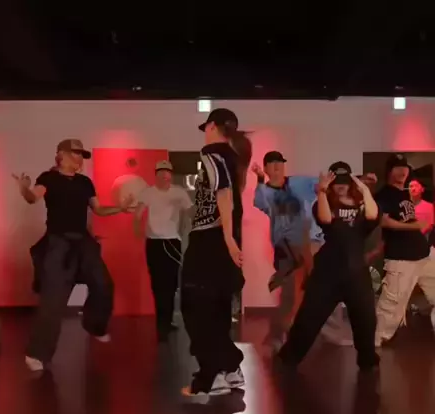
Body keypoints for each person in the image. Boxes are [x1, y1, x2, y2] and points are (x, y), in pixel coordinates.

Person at [13, 139, 132, 372]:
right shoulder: (49, 178)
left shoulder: (85, 182)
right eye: (76, 154)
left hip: (83, 242)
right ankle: (36, 353)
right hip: (58, 242)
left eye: (82, 155)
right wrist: (23, 188)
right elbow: (32, 197)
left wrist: (120, 208)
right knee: (53, 299)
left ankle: (94, 325)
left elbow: (98, 209)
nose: (80, 159)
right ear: (62, 154)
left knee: (103, 284)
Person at [277, 162, 380, 371]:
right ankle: (289, 357)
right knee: (309, 317)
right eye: (336, 182)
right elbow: (324, 219)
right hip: (327, 272)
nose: (341, 186)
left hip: (356, 272)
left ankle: (367, 360)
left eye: (344, 182)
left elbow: (373, 216)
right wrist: (322, 191)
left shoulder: (363, 205)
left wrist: (365, 190)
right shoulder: (323, 203)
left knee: (366, 319)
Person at [180, 108, 252, 396]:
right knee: (217, 308)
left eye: (207, 128)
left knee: (195, 306)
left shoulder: (211, 153)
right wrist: (232, 240)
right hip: (222, 242)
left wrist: (228, 239)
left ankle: (210, 376)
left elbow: (223, 193)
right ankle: (230, 370)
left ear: (212, 126)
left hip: (210, 240)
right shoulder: (234, 157)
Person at [375, 154, 435, 344]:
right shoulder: (383, 195)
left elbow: (407, 219)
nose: (402, 171)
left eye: (404, 167)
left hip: (423, 254)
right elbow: (383, 221)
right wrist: (413, 226)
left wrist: (416, 225)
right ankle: (373, 343)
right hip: (402, 258)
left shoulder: (404, 193)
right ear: (389, 171)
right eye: (397, 168)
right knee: (391, 304)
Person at [133, 160, 192, 342]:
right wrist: (138, 231)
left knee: (172, 284)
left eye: (167, 173)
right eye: (161, 173)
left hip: (173, 241)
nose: (164, 177)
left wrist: (186, 228)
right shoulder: (148, 192)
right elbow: (138, 214)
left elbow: (189, 212)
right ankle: (162, 325)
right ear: (156, 175)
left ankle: (167, 320)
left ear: (171, 175)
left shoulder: (178, 193)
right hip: (154, 243)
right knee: (158, 284)